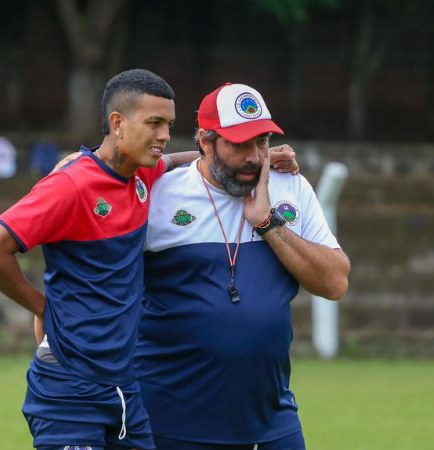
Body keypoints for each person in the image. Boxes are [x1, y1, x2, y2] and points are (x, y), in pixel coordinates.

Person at [0, 69, 195, 450]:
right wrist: (42, 306)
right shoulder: (70, 185)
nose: (164, 136)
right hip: (69, 389)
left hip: (123, 390)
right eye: (154, 123)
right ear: (117, 123)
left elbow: (175, 161)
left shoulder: (141, 175)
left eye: (169, 125)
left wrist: (251, 156)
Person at [134, 83, 351, 449]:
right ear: (205, 142)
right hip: (170, 424)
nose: (254, 156)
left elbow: (335, 282)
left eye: (262, 142)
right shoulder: (159, 194)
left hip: (272, 422)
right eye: (239, 144)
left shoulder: (290, 187)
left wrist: (268, 224)